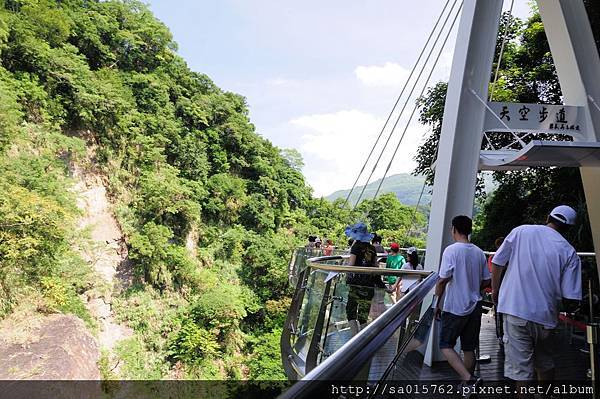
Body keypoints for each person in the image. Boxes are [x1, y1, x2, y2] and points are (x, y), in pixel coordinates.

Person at [491, 205, 582, 385]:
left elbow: (498, 262)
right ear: (568, 228)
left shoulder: (521, 231)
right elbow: (571, 296)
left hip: (515, 310)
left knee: (521, 374)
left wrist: (496, 291)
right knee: (546, 364)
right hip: (546, 318)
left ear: (548, 217)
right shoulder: (569, 251)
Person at [434, 215, 490, 389]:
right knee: (468, 348)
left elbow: (442, 280)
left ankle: (469, 378)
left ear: (454, 229)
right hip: (475, 306)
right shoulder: (479, 252)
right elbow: (487, 281)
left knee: (445, 345)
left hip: (455, 307)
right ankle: (467, 385)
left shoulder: (451, 251)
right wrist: (472, 287)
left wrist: (437, 303)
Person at [344, 222, 387, 334]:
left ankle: (354, 337)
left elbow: (351, 265)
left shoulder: (356, 247)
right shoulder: (372, 248)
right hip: (369, 285)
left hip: (356, 284)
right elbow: (375, 267)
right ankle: (363, 339)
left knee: (351, 311)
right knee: (363, 314)